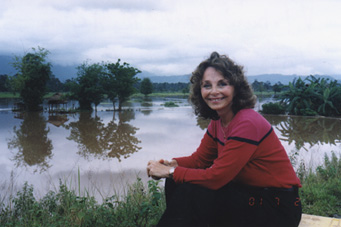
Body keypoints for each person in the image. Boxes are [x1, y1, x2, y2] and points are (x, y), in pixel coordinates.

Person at [146, 52, 302, 227]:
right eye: (207, 85)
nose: (214, 92)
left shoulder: (247, 122)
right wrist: (171, 165)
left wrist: (170, 171)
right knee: (177, 182)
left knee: (189, 189)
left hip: (277, 207)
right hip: (248, 195)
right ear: (200, 90)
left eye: (222, 84)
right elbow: (200, 160)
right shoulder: (218, 122)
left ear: (236, 88)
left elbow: (216, 177)